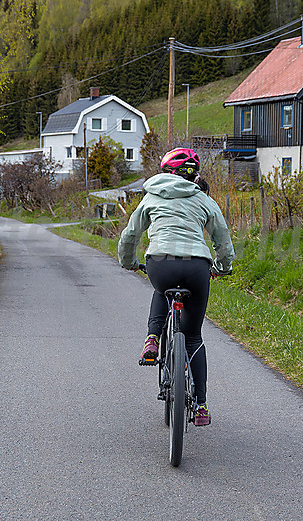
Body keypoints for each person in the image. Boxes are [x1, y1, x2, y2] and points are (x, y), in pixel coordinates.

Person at [118, 148, 234, 426]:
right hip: (197, 268)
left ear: (165, 172)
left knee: (161, 289)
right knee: (193, 337)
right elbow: (223, 241)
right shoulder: (205, 200)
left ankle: (152, 338)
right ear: (194, 175)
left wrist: (130, 263)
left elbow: (130, 236)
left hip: (160, 264)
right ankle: (202, 405)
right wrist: (222, 268)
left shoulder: (151, 197)